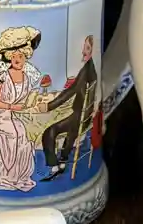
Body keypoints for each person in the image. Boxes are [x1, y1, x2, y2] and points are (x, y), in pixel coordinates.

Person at [0, 26, 45, 192]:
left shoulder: (27, 78)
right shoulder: (2, 77)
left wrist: (33, 103)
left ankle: (19, 176)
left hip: (16, 115)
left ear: (25, 57)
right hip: (0, 116)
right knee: (14, 134)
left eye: (20, 56)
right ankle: (6, 176)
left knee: (26, 133)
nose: (17, 59)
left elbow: (26, 99)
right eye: (14, 56)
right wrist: (12, 107)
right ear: (9, 57)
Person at [40, 35, 99, 181]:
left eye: (87, 48)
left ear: (93, 50)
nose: (83, 51)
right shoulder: (91, 68)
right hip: (84, 117)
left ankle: (54, 166)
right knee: (70, 129)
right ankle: (62, 161)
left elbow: (71, 91)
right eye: (84, 48)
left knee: (49, 132)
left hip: (79, 117)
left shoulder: (87, 70)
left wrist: (49, 106)